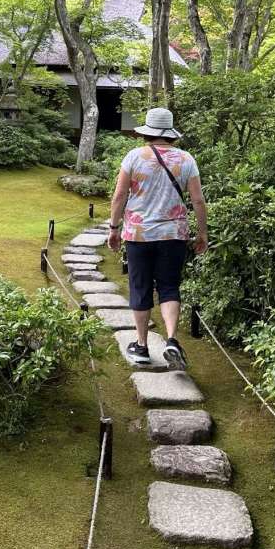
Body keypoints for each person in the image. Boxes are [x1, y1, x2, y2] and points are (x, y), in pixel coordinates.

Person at [107, 107, 207, 369]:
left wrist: (114, 228)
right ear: (170, 133)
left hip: (138, 235)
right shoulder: (186, 159)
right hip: (174, 234)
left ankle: (141, 347)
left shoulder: (134, 156)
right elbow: (197, 199)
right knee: (169, 287)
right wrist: (202, 233)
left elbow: (119, 196)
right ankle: (172, 340)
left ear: (147, 132)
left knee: (140, 288)